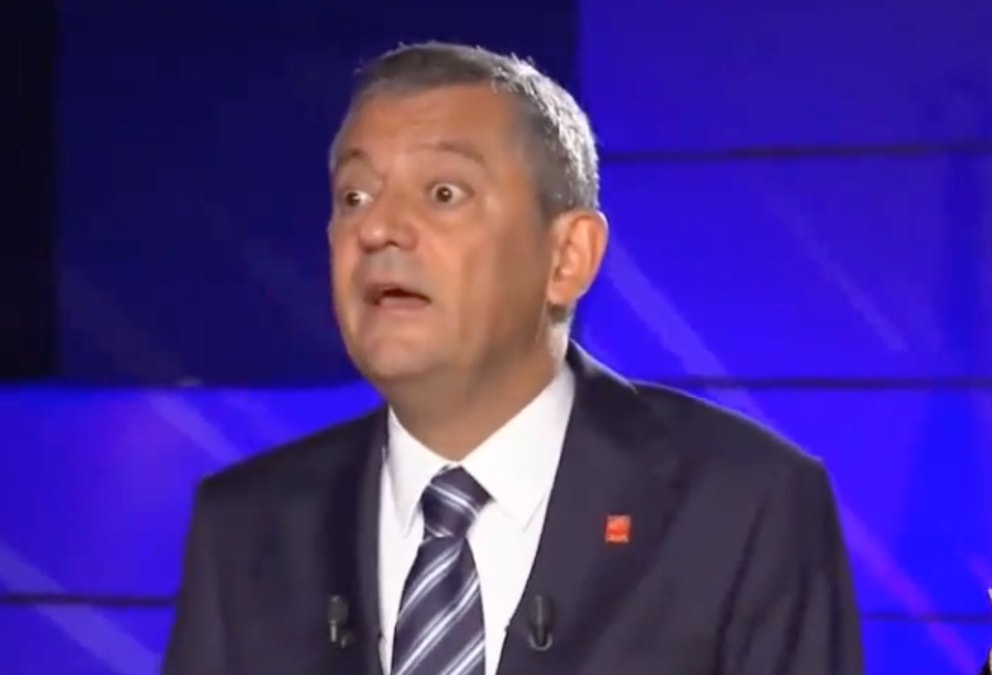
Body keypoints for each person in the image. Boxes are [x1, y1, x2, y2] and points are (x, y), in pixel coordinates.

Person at [162, 41, 864, 675]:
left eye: (443, 193)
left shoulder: (744, 506)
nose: (376, 228)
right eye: (355, 196)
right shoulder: (248, 527)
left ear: (567, 257)